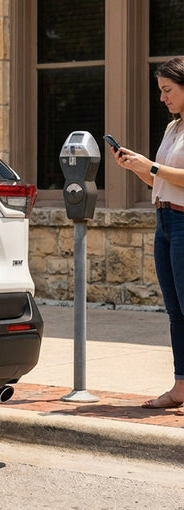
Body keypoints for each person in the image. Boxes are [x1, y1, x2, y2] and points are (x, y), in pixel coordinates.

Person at [111, 56, 184, 410]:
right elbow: (161, 180)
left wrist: (151, 165)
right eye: (160, 91)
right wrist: (136, 166)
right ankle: (181, 387)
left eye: (167, 90)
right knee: (175, 311)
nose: (162, 98)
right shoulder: (173, 128)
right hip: (165, 223)